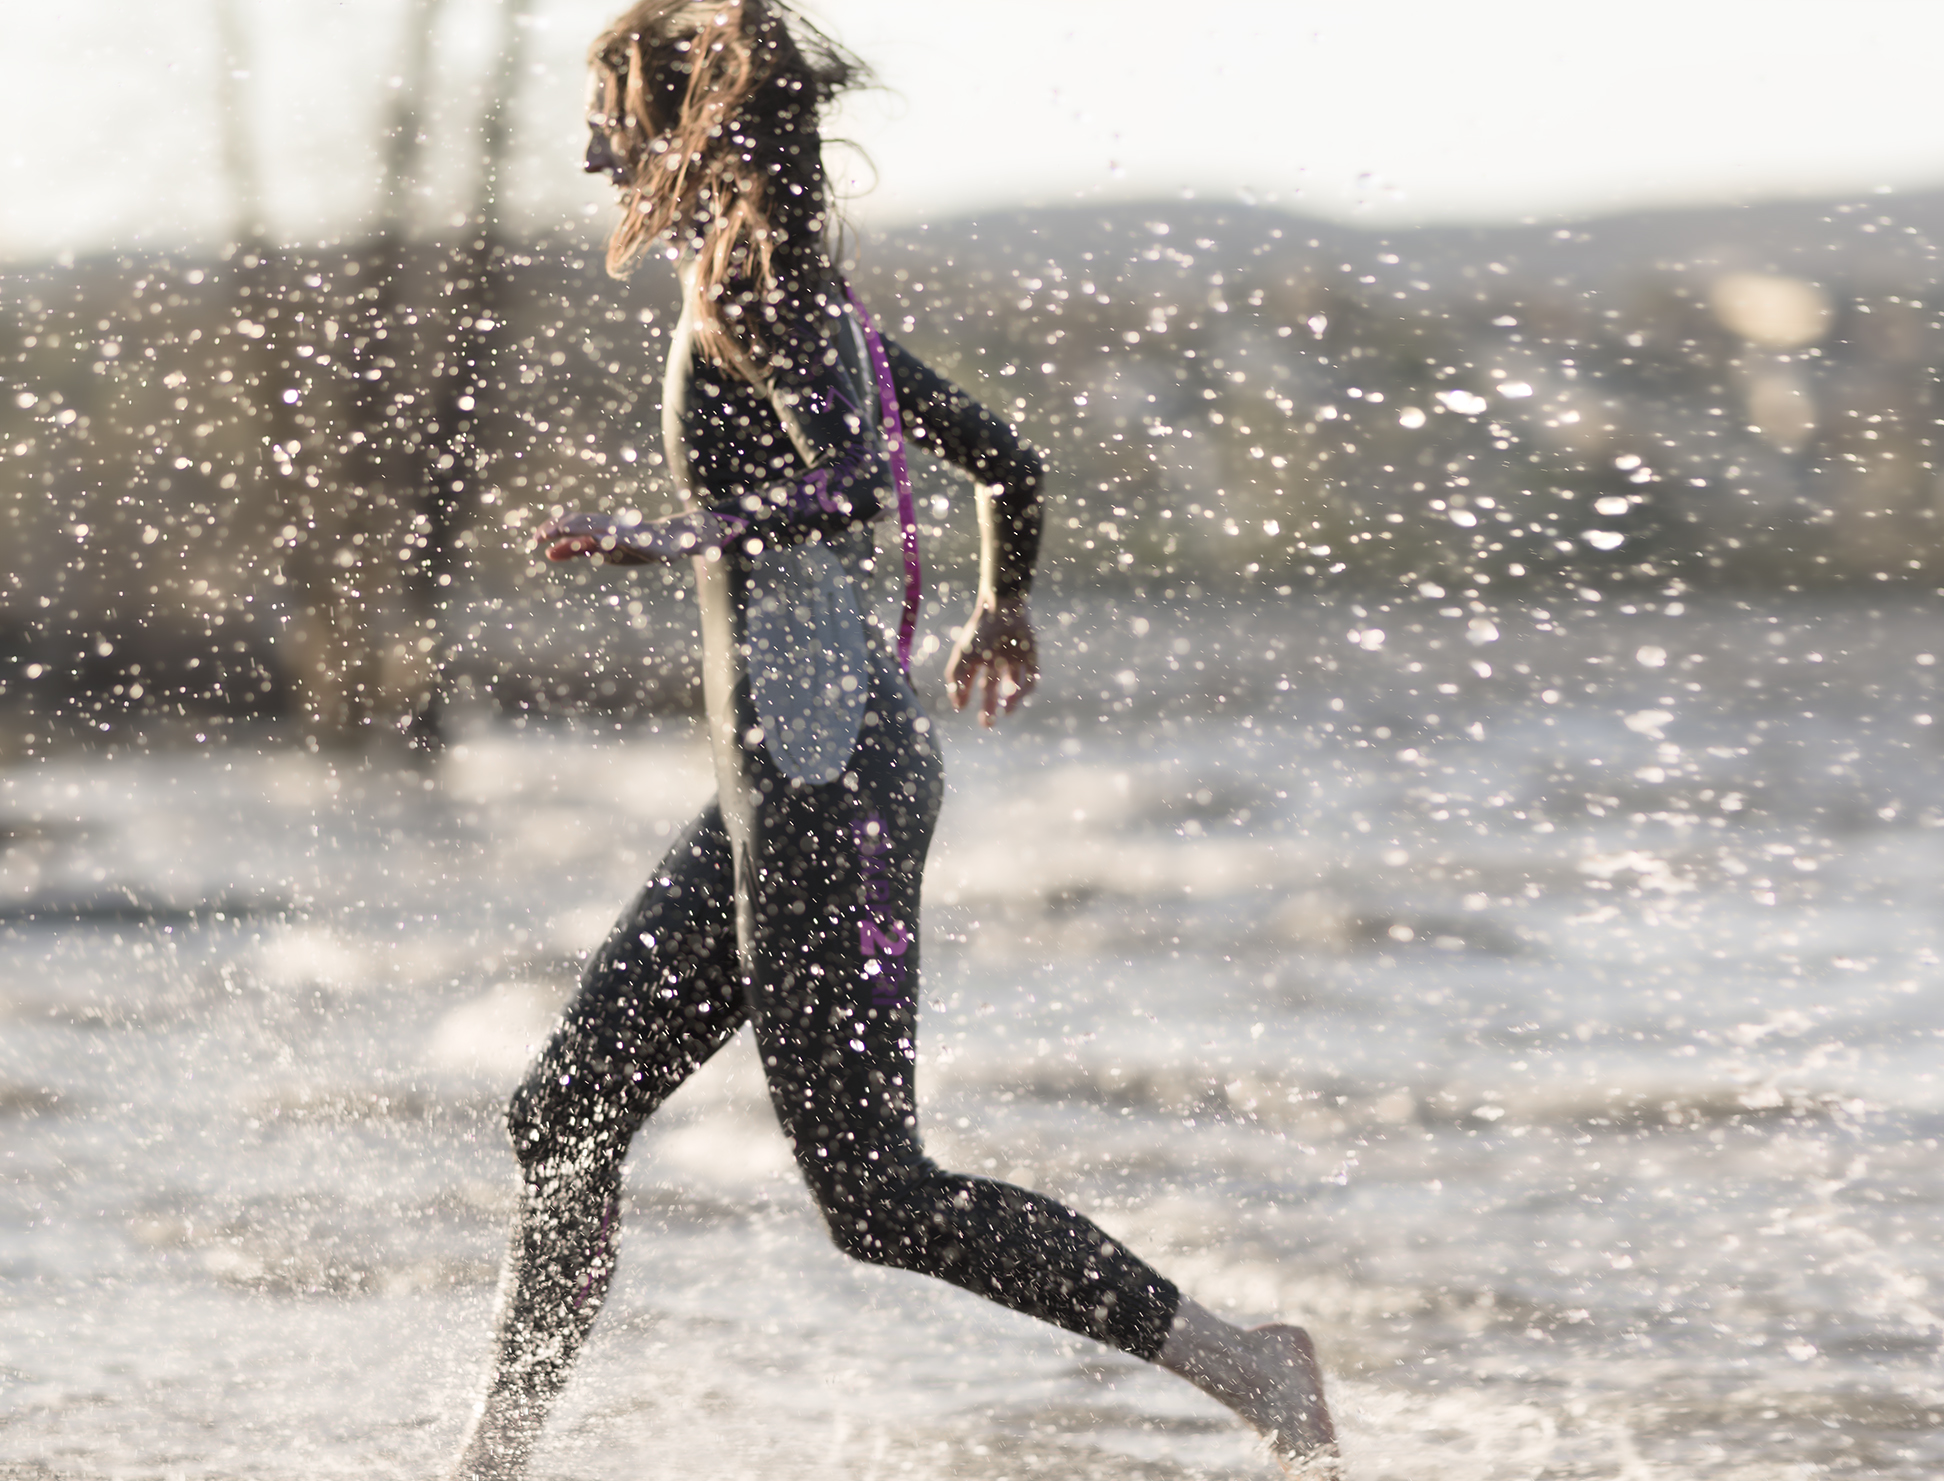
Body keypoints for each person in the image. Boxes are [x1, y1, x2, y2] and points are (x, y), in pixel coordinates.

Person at [446, 3, 1339, 1477]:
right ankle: (491, 1460)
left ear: (683, 131)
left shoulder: (771, 299)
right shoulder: (797, 298)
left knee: (875, 1192)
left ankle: (1251, 1367)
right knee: (565, 1110)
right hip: (790, 778)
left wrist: (670, 534)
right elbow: (1008, 461)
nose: (592, 154)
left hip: (824, 778)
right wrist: (1001, 605)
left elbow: (859, 478)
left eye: (609, 121)